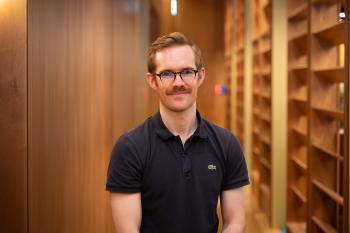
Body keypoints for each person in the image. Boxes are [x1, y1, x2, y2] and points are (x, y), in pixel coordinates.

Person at [106, 32, 249, 233]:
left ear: (200, 76)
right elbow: (128, 229)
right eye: (167, 74)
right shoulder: (129, 148)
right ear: (152, 81)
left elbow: (235, 221)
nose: (178, 82)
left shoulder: (227, 144)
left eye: (187, 72)